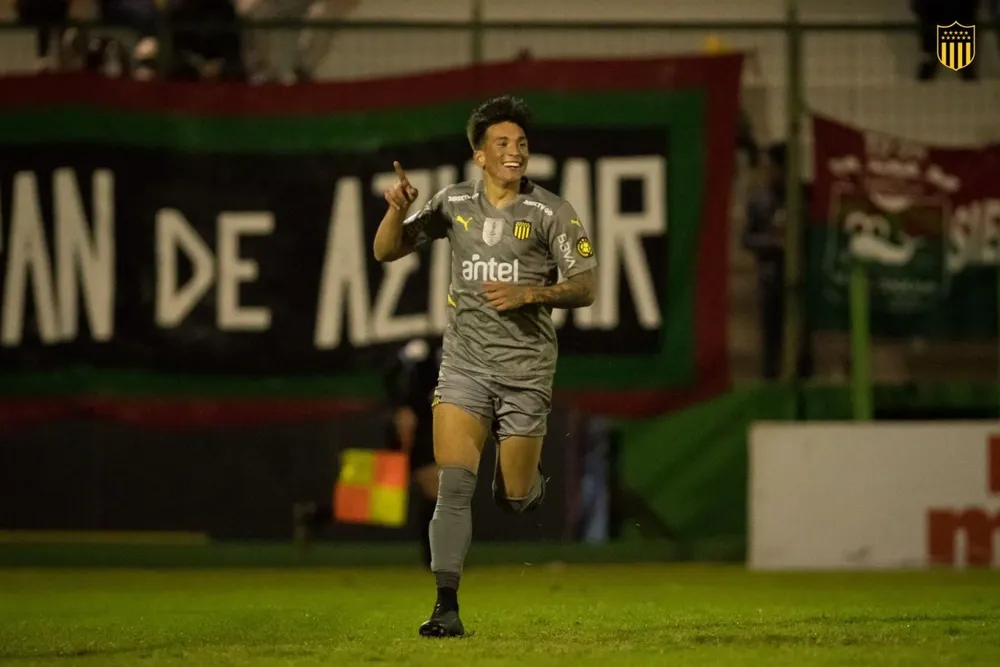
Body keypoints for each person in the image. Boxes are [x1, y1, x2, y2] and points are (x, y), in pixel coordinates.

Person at [372, 96, 597, 638]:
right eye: (502, 143)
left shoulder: (552, 212)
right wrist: (396, 208)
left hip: (526, 371)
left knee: (514, 498)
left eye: (520, 143)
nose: (514, 152)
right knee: (453, 486)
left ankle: (521, 486)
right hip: (465, 366)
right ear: (479, 155)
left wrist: (530, 293)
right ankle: (445, 607)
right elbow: (386, 251)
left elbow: (586, 286)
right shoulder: (453, 204)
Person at [383, 337, 443, 570]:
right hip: (416, 429)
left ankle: (434, 556)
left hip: (437, 426)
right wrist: (401, 407)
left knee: (437, 490)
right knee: (388, 493)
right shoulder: (422, 347)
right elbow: (392, 374)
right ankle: (319, 514)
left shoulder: (469, 345)